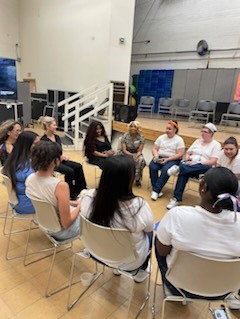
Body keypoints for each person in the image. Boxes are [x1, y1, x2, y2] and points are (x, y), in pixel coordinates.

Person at [155, 167, 240, 305]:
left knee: (159, 239)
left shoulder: (178, 215)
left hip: (180, 286)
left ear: (202, 188)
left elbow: (162, 251)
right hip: (223, 291)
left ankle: (171, 289)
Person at [80, 155, 154, 283]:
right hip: (129, 262)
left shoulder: (88, 196)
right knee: (151, 235)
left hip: (95, 251)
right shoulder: (139, 207)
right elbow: (149, 231)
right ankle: (142, 269)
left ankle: (116, 267)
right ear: (129, 179)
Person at [26, 141, 81, 240]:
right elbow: (66, 223)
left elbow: (50, 202)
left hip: (44, 224)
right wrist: (80, 206)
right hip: (61, 231)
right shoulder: (60, 186)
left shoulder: (30, 179)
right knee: (92, 215)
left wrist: (74, 203)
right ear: (55, 160)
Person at [167, 123, 221, 209]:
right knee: (183, 172)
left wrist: (197, 164)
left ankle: (178, 168)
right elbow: (188, 152)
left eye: (205, 132)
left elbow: (213, 161)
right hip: (190, 165)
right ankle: (176, 198)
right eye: (202, 131)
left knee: (184, 169)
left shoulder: (216, 145)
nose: (202, 133)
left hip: (203, 168)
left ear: (211, 134)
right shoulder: (197, 141)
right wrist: (187, 158)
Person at [40, 116, 86, 200]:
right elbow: (46, 156)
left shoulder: (57, 137)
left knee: (78, 166)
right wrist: (59, 157)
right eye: (54, 125)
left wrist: (62, 157)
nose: (56, 127)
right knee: (69, 171)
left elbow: (59, 151)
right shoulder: (43, 140)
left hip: (59, 159)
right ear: (47, 126)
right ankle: (71, 194)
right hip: (51, 163)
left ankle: (81, 189)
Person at [3, 131, 40, 214]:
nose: (40, 146)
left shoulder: (14, 158)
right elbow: (37, 185)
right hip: (27, 204)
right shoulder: (26, 166)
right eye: (36, 144)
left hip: (17, 201)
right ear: (27, 145)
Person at [149, 120, 185, 200]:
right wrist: (156, 156)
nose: (167, 131)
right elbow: (155, 148)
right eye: (167, 128)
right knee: (152, 166)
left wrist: (168, 159)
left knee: (165, 170)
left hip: (173, 159)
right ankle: (158, 189)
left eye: (169, 129)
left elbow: (180, 154)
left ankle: (155, 190)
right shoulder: (161, 137)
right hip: (160, 157)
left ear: (175, 130)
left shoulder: (179, 140)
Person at [119, 121, 146, 187]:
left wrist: (136, 155)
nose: (133, 128)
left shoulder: (141, 137)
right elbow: (124, 150)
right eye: (131, 126)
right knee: (127, 161)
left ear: (137, 128)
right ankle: (126, 179)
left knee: (141, 160)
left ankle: (137, 179)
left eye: (135, 126)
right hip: (126, 153)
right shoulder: (125, 136)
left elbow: (140, 150)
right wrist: (132, 155)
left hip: (136, 153)